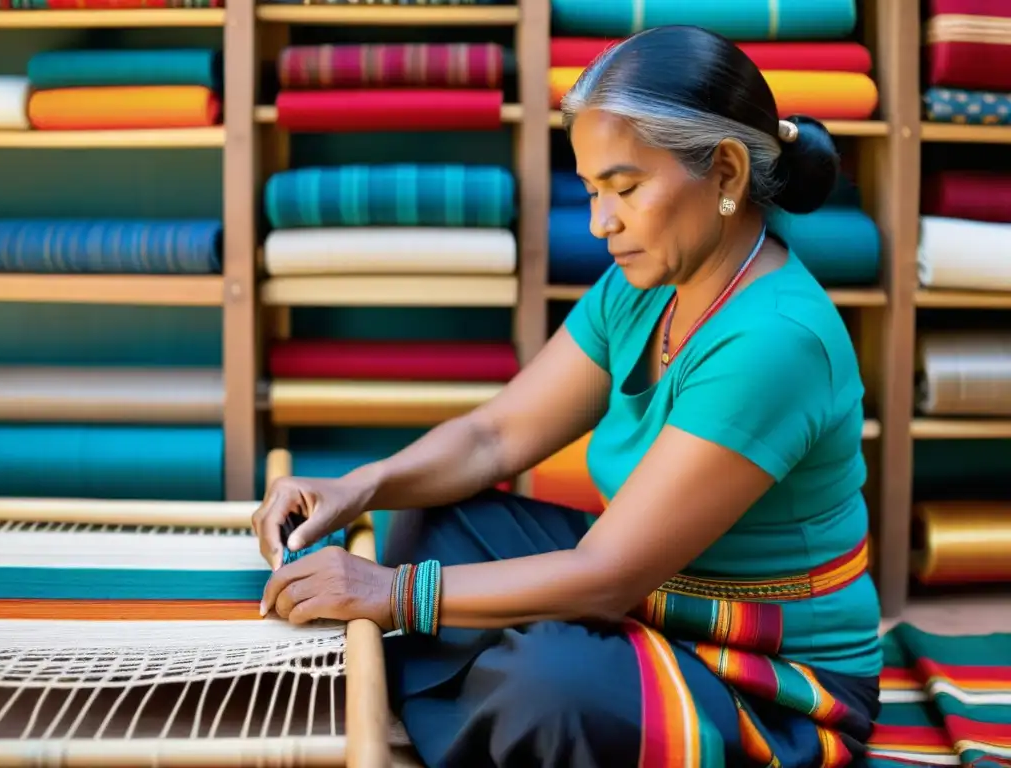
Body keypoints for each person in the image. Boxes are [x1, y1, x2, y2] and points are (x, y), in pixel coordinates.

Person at [252, 24, 883, 768]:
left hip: (767, 667)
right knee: (433, 514)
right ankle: (512, 682)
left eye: (624, 188)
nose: (599, 222)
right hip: (656, 592)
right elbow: (497, 437)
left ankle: (513, 689)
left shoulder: (775, 341)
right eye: (591, 190)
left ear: (726, 172)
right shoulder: (646, 284)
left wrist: (391, 595)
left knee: (548, 685)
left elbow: (606, 575)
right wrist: (360, 486)